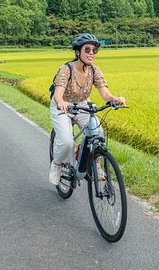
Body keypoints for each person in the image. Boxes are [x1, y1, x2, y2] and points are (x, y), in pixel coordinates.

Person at [49, 33, 126, 186]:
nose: (91, 53)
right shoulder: (66, 69)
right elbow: (58, 95)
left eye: (94, 50)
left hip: (82, 104)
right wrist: (61, 102)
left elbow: (105, 94)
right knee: (66, 142)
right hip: (63, 105)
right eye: (88, 50)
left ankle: (95, 165)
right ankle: (56, 165)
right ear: (78, 52)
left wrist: (115, 99)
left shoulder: (95, 70)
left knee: (98, 133)